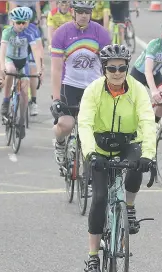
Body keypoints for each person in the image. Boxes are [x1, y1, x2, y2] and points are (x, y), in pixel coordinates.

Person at [80, 44, 156, 272]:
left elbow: (147, 120)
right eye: (111, 68)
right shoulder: (93, 90)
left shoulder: (137, 89)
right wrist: (91, 154)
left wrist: (148, 154)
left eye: (122, 67)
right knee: (100, 198)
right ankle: (93, 256)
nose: (117, 72)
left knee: (137, 167)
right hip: (100, 147)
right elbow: (84, 124)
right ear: (104, 68)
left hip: (127, 143)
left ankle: (129, 209)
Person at [49, 0, 110, 167]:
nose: (84, 15)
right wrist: (55, 99)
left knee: (97, 131)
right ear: (73, 12)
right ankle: (60, 142)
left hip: (93, 87)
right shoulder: (62, 33)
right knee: (66, 124)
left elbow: (108, 68)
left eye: (87, 11)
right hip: (69, 86)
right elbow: (56, 70)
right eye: (80, 11)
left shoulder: (101, 33)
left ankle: (92, 177)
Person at [0, 6, 43, 139]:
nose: (22, 25)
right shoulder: (7, 32)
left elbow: (35, 50)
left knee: (24, 90)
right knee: (10, 71)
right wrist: (2, 67)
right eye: (19, 22)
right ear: (12, 22)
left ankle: (21, 121)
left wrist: (40, 69)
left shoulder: (28, 33)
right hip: (10, 59)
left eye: (25, 22)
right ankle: (6, 101)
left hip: (23, 62)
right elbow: (2, 50)